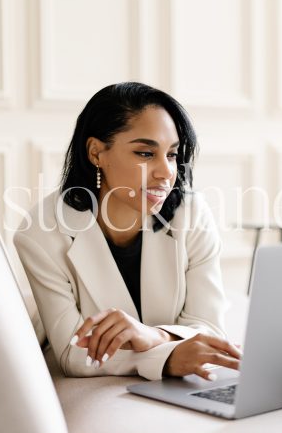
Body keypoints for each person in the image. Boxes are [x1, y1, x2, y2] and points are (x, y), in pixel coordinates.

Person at [14, 82, 241, 382]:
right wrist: (167, 356)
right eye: (145, 153)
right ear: (96, 153)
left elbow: (209, 329)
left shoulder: (191, 213)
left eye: (172, 154)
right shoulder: (40, 234)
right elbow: (73, 355)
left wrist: (153, 336)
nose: (166, 172)